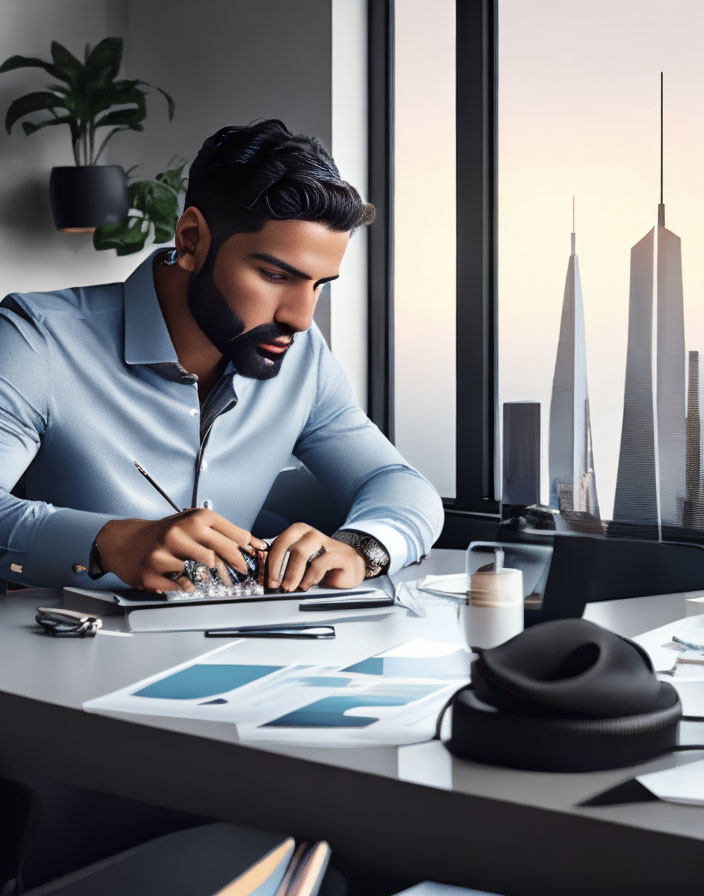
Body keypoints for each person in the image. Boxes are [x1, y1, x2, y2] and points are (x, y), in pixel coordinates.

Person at [0, 118, 443, 594]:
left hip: (242, 647)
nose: (299, 316)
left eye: (319, 286)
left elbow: (397, 481)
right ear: (191, 239)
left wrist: (360, 547)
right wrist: (105, 542)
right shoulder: (37, 338)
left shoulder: (302, 354)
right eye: (275, 275)